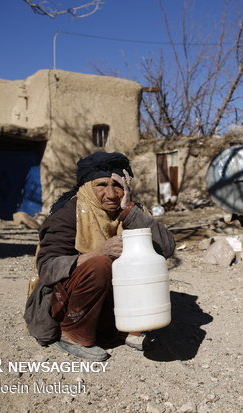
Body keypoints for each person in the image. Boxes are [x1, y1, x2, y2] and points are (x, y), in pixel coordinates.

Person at [24, 152, 175, 361]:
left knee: (141, 259)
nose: (111, 194)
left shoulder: (130, 210)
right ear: (86, 187)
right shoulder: (69, 214)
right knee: (101, 264)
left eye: (118, 185)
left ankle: (125, 328)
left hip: (107, 301)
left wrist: (130, 212)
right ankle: (73, 335)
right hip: (62, 304)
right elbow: (48, 269)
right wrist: (98, 252)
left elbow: (166, 248)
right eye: (102, 185)